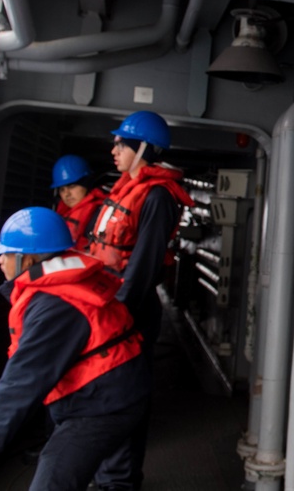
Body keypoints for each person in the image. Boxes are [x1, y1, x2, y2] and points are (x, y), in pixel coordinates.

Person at [0, 207, 149, 490]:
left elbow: (22, 383)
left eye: (6, 254)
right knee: (116, 481)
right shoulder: (70, 284)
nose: (0, 261)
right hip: (126, 386)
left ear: (28, 260)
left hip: (102, 404)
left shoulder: (55, 306)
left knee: (52, 481)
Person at [88, 110, 193, 491]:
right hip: (107, 305)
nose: (114, 149)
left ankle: (119, 481)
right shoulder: (125, 188)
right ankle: (105, 474)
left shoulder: (158, 197)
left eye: (122, 143)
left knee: (122, 394)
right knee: (102, 391)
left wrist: (116, 317)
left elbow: (144, 267)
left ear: (143, 149)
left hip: (126, 311)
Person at [51, 154, 106, 251]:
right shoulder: (61, 212)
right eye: (62, 189)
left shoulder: (100, 214)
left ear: (86, 184)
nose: (67, 194)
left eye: (72, 186)